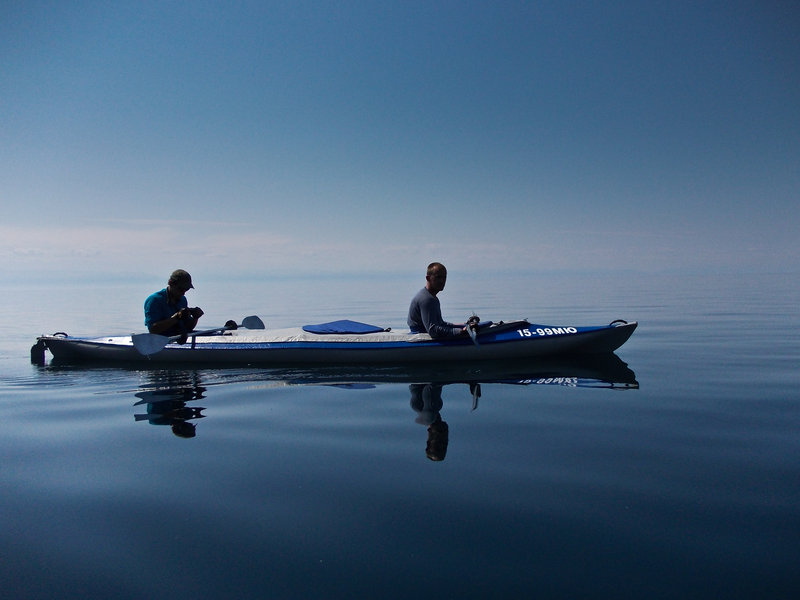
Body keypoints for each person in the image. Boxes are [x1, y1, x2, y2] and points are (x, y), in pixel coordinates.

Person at [407, 262, 468, 339]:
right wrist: (459, 332)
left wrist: (464, 325)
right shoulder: (426, 299)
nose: (442, 281)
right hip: (419, 337)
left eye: (444, 277)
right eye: (438, 277)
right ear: (428, 278)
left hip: (424, 332)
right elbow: (433, 330)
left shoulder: (432, 297)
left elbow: (440, 324)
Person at [144, 269, 204, 338]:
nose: (183, 293)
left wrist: (195, 317)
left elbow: (188, 327)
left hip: (177, 339)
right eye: (180, 289)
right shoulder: (154, 300)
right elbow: (153, 330)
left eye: (186, 289)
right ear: (170, 283)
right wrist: (177, 318)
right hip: (161, 341)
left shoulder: (183, 300)